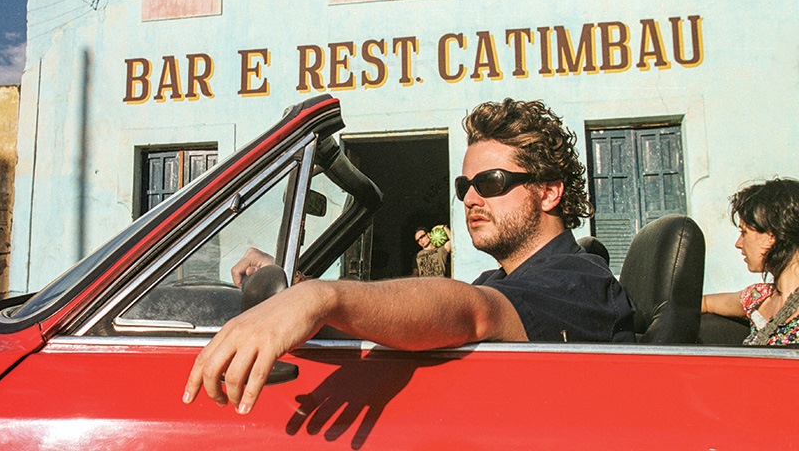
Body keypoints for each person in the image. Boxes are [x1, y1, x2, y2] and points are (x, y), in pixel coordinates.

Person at [183, 98, 635, 415]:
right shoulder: (505, 282)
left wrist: (322, 297)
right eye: (465, 186)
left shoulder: (578, 282)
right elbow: (417, 319)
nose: (470, 198)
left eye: (491, 182)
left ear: (549, 192)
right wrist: (295, 289)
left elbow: (468, 311)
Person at [702, 178, 799, 345]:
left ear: (771, 235)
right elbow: (703, 303)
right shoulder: (757, 298)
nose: (738, 243)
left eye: (744, 232)